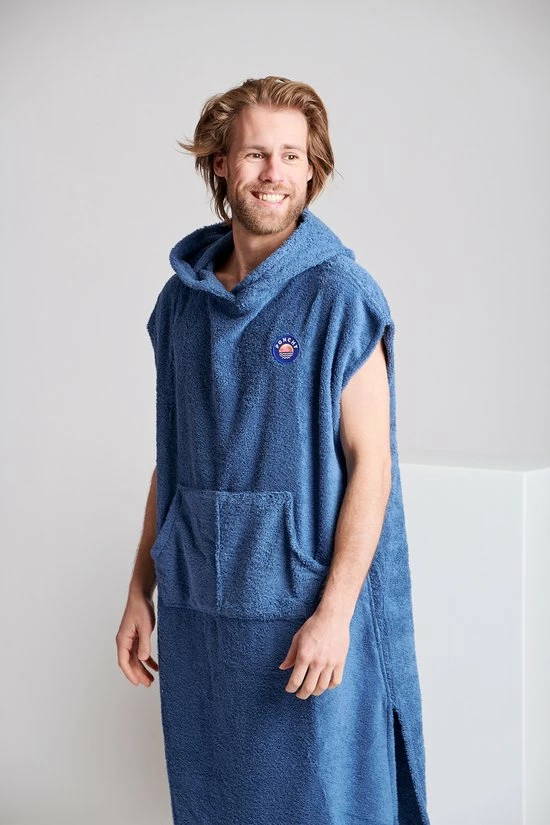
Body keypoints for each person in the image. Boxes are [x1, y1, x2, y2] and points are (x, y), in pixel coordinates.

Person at [116, 75, 431, 825]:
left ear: (312, 170)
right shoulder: (180, 305)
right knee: (213, 802)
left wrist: (336, 613)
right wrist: (139, 590)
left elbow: (372, 466)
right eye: (257, 153)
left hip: (303, 616)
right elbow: (172, 455)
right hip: (199, 614)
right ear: (221, 164)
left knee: (326, 804)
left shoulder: (340, 296)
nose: (273, 173)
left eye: (292, 156)